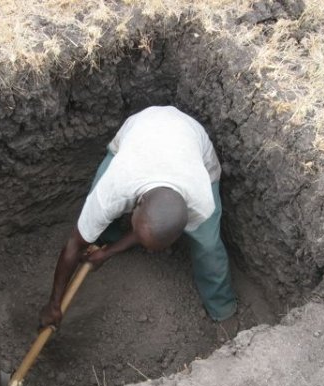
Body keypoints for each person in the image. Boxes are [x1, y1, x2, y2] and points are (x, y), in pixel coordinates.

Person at [39, 106, 239, 342]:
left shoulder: (201, 201)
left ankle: (222, 307)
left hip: (192, 141)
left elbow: (155, 226)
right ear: (138, 202)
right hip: (140, 128)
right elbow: (73, 244)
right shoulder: (113, 190)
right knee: (95, 224)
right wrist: (54, 304)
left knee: (207, 245)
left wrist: (109, 254)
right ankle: (104, 237)